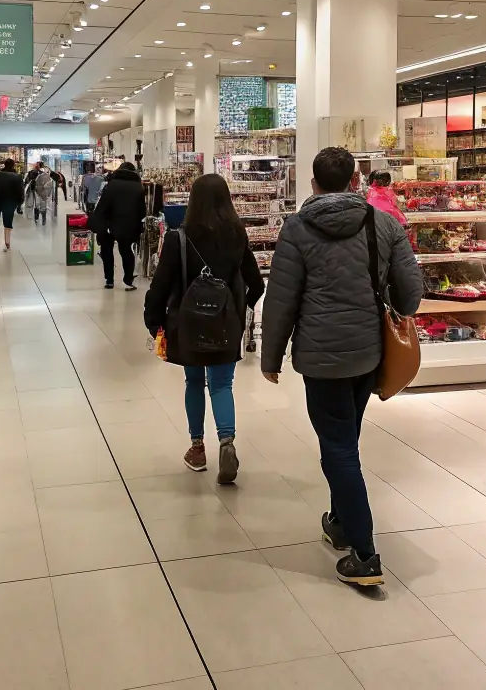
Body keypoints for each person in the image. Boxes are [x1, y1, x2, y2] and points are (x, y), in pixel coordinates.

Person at [262, 146, 421, 587]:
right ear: (356, 181)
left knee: (338, 447)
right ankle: (340, 522)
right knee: (345, 439)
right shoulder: (383, 224)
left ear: (313, 184)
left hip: (320, 355)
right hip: (368, 351)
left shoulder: (296, 229)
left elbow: (282, 298)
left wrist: (271, 355)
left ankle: (365, 553)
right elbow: (410, 290)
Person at [143, 174, 265, 482]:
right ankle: (227, 441)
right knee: (222, 385)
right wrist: (240, 311)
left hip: (189, 325)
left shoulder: (178, 238)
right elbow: (256, 283)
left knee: (194, 382)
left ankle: (197, 448)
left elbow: (161, 285)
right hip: (226, 326)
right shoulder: (238, 236)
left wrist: (154, 321)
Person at [89, 161, 145, 290]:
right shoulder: (138, 187)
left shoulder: (111, 185)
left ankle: (109, 280)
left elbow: (103, 205)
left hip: (109, 223)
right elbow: (142, 211)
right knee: (126, 251)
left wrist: (99, 222)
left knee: (107, 250)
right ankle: (128, 280)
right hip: (128, 224)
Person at [0, 158, 24, 252]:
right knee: (8, 223)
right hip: (10, 202)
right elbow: (20, 192)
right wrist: (19, 203)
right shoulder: (17, 177)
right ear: (13, 165)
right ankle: (7, 244)